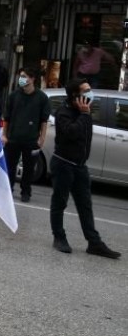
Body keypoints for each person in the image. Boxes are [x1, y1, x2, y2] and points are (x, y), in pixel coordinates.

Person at [49, 79, 120, 258]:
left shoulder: (84, 112)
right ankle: (59, 237)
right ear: (75, 96)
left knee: (85, 205)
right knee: (60, 202)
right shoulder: (64, 113)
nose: (90, 93)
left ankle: (94, 243)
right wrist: (84, 115)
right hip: (63, 164)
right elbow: (72, 133)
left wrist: (84, 114)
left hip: (80, 166)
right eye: (86, 91)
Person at [0, 67, 50, 203]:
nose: (21, 79)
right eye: (20, 76)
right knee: (10, 166)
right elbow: (7, 117)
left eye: (24, 76)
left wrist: (42, 137)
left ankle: (26, 191)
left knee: (29, 169)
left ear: (32, 79)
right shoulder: (14, 96)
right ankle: (8, 189)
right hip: (13, 138)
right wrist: (4, 135)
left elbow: (44, 120)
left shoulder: (41, 98)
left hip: (31, 139)